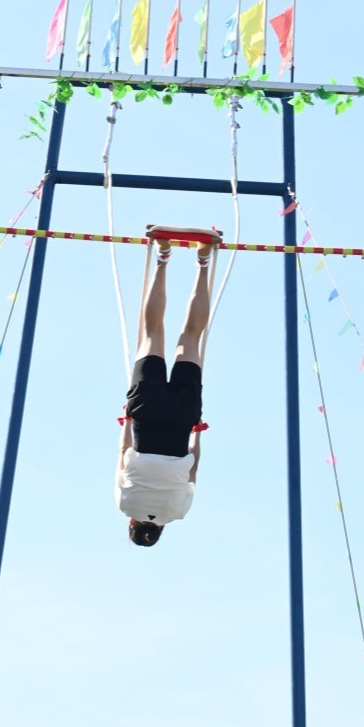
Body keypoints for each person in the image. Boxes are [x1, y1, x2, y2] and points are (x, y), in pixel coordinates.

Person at [114, 229, 219, 546]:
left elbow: (193, 466)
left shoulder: (178, 512)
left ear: (160, 530)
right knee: (152, 333)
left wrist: (197, 430)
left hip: (182, 418)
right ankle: (162, 257)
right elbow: (123, 453)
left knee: (190, 337)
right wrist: (127, 420)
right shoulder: (125, 505)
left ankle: (203, 261)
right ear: (131, 524)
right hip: (146, 414)